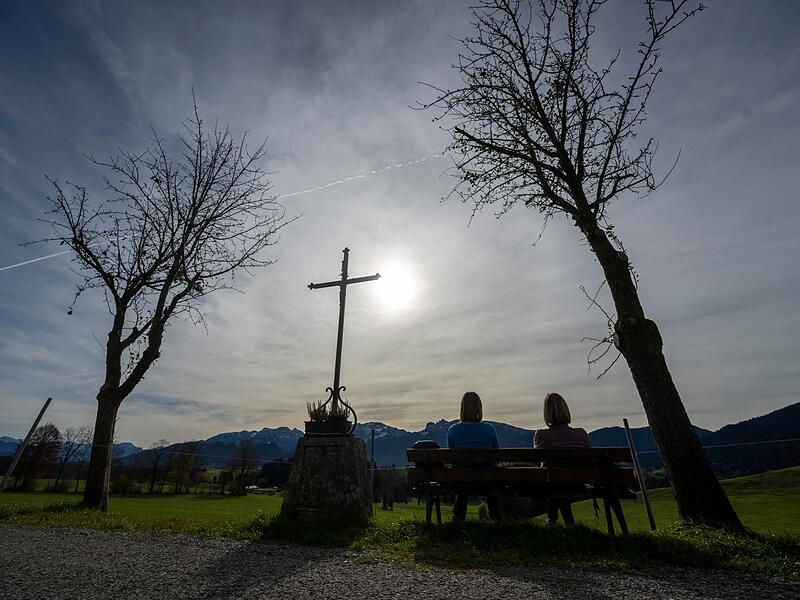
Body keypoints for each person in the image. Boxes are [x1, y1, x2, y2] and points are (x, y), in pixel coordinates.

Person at [533, 392, 590, 525]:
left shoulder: (541, 435)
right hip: (577, 483)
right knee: (560, 481)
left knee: (555, 480)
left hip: (552, 483)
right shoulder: (581, 434)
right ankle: (566, 521)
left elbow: (537, 460)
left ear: (546, 413)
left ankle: (553, 519)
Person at [447, 391, 501, 523]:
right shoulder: (489, 429)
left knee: (461, 483)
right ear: (479, 408)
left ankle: (458, 521)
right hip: (487, 480)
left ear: (462, 408)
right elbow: (497, 454)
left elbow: (452, 458)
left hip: (462, 481)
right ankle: (496, 520)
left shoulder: (453, 430)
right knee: (493, 483)